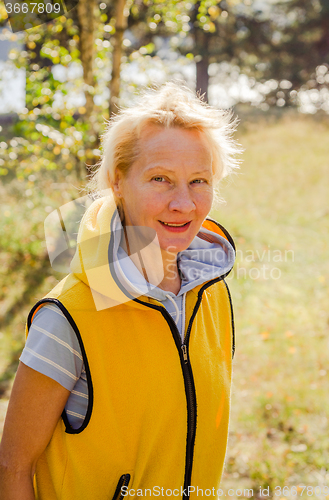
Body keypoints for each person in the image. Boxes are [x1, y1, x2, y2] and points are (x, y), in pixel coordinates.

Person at [0, 82, 242, 500]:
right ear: (117, 182)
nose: (183, 204)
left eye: (199, 180)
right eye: (160, 179)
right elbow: (12, 465)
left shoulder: (212, 292)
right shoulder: (69, 315)